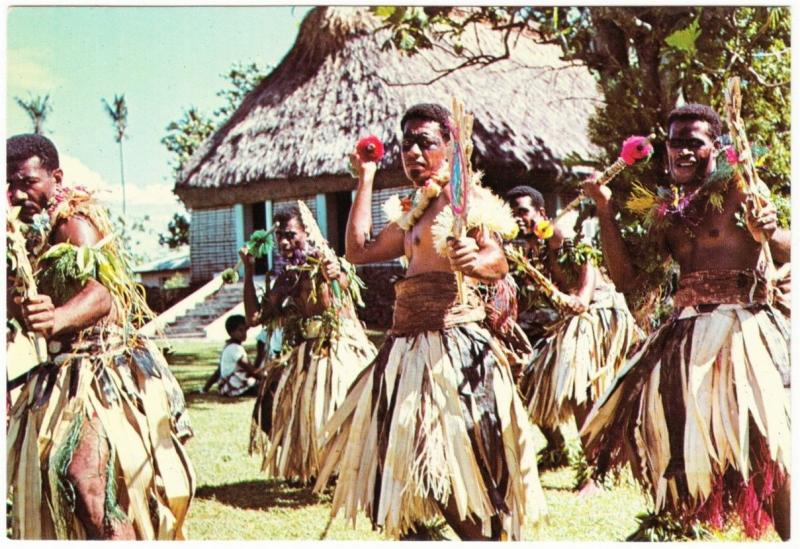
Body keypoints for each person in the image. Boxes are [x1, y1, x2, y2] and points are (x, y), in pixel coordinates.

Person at [313, 103, 547, 541]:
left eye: (425, 142)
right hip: (407, 348)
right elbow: (359, 250)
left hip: (451, 347)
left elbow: (497, 260)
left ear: (450, 147)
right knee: (391, 471)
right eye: (406, 144)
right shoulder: (412, 209)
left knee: (454, 462)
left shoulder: (466, 200)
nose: (413, 152)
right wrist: (364, 179)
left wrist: (473, 261)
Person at [581, 103, 790, 539]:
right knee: (670, 448)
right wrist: (604, 210)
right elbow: (627, 281)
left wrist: (767, 231)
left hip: (742, 330)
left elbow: (788, 243)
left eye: (694, 141)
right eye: (675, 142)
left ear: (716, 146)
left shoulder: (739, 187)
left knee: (768, 447)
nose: (683, 150)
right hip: (686, 337)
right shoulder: (667, 212)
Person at [6, 134, 195, 539]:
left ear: (55, 177)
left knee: (86, 483)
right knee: (67, 484)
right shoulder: (27, 237)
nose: (19, 194)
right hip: (59, 374)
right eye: (11, 184)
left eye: (28, 182)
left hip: (99, 373)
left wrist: (56, 317)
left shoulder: (73, 221)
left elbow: (101, 294)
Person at [505, 185, 639, 493]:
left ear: (540, 213)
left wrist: (581, 297)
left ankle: (595, 473)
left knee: (579, 386)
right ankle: (557, 449)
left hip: (599, 313)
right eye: (513, 214)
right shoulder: (527, 249)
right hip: (570, 318)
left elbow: (588, 265)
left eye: (524, 212)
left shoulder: (558, 233)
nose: (518, 219)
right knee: (527, 379)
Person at [245, 205, 376, 484]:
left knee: (339, 409)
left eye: (291, 235)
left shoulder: (324, 261)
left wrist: (335, 273)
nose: (283, 242)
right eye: (280, 235)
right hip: (304, 351)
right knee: (274, 402)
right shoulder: (287, 277)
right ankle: (316, 467)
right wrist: (247, 270)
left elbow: (343, 282)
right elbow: (255, 317)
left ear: (306, 232)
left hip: (339, 348)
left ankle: (345, 468)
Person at [215, 314, 262, 396]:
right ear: (231, 333)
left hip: (227, 387)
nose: (244, 333)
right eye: (240, 330)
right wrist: (266, 378)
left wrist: (205, 389)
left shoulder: (229, 346)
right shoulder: (235, 348)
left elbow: (218, 372)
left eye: (245, 330)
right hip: (235, 387)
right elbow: (251, 370)